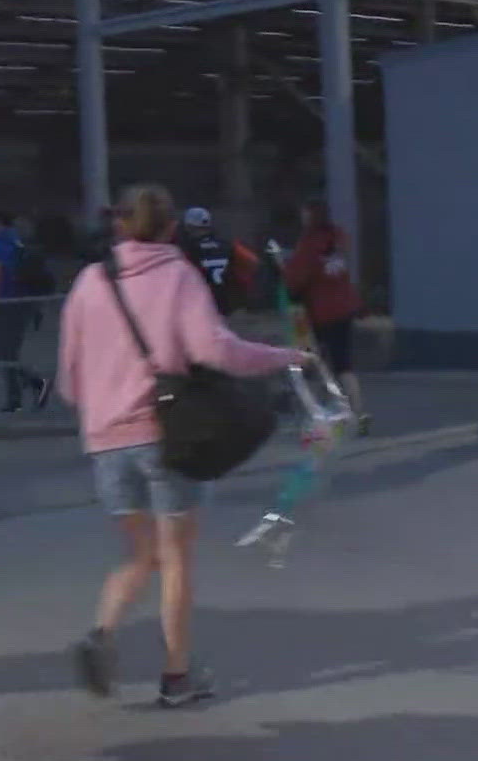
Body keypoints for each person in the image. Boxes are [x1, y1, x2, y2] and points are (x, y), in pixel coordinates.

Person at [59, 184, 307, 706]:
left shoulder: (87, 282)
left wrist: (104, 402)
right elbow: (213, 349)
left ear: (120, 226)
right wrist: (283, 356)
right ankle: (176, 677)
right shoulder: (177, 276)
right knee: (175, 560)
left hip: (105, 440)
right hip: (166, 434)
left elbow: (68, 379)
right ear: (171, 229)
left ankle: (101, 632)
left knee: (139, 554)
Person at [284, 198, 370, 434]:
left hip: (322, 312)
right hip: (345, 307)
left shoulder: (309, 244)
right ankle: (359, 413)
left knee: (321, 364)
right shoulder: (339, 237)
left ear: (309, 216)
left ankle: (330, 414)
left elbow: (295, 279)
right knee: (345, 365)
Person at [0, 211, 52, 413]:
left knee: (2, 353)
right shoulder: (22, 241)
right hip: (26, 302)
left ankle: (31, 387)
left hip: (8, 303)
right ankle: (21, 392)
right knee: (8, 352)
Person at [176, 206, 260, 317]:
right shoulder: (228, 245)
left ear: (188, 227)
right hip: (229, 306)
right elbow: (253, 262)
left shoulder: (186, 249)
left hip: (200, 306)